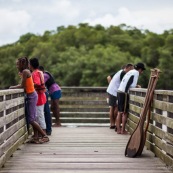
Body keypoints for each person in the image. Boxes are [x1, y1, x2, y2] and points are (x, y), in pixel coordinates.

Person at [9, 57, 49, 144]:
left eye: (18, 64)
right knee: (33, 118)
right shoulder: (25, 71)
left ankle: (44, 136)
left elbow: (22, 85)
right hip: (31, 95)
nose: (16, 66)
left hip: (32, 96)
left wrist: (12, 87)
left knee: (31, 119)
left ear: (22, 64)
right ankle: (35, 137)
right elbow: (24, 84)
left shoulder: (25, 71)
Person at [116, 62, 146, 134]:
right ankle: (123, 130)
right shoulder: (136, 73)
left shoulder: (131, 71)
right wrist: (137, 86)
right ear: (140, 69)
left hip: (120, 91)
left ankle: (118, 130)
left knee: (120, 112)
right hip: (124, 93)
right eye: (142, 70)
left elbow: (128, 82)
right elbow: (131, 85)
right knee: (125, 112)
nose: (142, 72)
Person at [106, 63, 134, 130]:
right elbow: (124, 84)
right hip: (115, 91)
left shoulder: (120, 71)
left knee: (112, 107)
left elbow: (108, 77)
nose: (132, 71)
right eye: (132, 69)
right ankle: (115, 124)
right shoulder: (124, 73)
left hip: (111, 90)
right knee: (116, 107)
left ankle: (112, 124)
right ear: (129, 68)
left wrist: (111, 85)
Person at [29, 58, 47, 133]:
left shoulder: (35, 73)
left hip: (39, 97)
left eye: (29, 63)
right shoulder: (39, 71)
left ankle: (44, 134)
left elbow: (38, 83)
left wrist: (28, 84)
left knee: (40, 116)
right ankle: (41, 134)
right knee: (40, 115)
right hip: (41, 96)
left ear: (31, 65)